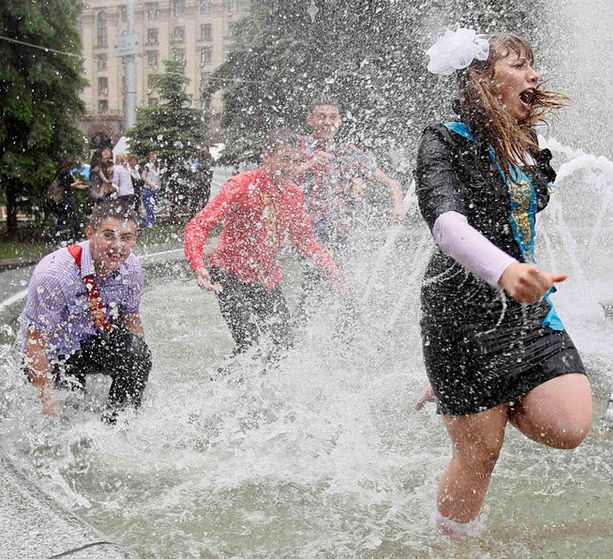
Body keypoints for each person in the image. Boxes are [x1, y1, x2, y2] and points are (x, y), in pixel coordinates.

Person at [414, 30, 592, 535]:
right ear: (480, 79)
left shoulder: (525, 143)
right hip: (460, 318)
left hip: (523, 312)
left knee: (569, 425)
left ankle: (470, 395)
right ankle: (452, 543)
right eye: (517, 66)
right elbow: (448, 228)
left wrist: (517, 275)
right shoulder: (443, 139)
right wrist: (505, 271)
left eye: (532, 65)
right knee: (480, 454)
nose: (533, 75)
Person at [183, 129, 342, 361]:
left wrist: (333, 271)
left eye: (295, 160)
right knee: (249, 344)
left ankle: (268, 394)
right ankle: (218, 392)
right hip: (228, 273)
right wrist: (198, 265)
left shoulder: (293, 195)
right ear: (267, 156)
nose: (290, 166)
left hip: (265, 278)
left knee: (285, 344)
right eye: (284, 159)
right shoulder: (241, 185)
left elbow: (306, 242)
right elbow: (198, 225)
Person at [20, 199, 151, 423]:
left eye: (126, 238)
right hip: (54, 353)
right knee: (69, 414)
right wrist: (46, 400)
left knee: (138, 355)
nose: (117, 246)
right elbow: (35, 341)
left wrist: (137, 365)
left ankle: (117, 426)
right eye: (108, 235)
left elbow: (131, 317)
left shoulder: (131, 268)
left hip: (92, 340)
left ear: (134, 239)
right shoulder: (56, 275)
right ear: (91, 232)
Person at [293, 99, 405, 324]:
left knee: (349, 287)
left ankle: (347, 338)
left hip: (341, 233)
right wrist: (309, 165)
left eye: (332, 117)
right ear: (310, 120)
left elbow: (391, 183)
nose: (327, 122)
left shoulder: (350, 153)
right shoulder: (299, 148)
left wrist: (398, 207)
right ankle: (302, 334)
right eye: (321, 116)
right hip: (308, 233)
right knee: (316, 282)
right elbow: (277, 176)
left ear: (340, 121)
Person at [50, 154, 85, 244]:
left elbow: (72, 185)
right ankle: (78, 236)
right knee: (74, 216)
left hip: (66, 196)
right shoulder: (64, 172)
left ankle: (57, 236)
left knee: (63, 216)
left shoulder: (66, 172)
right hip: (67, 197)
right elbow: (66, 185)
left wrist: (83, 186)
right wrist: (76, 183)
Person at [140, 150, 160, 228]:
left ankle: (152, 221)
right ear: (149, 157)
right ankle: (147, 223)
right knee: (148, 206)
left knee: (154, 205)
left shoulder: (157, 166)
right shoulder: (147, 166)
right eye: (151, 155)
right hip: (148, 189)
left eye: (154, 155)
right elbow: (143, 176)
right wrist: (151, 184)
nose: (153, 156)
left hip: (154, 189)